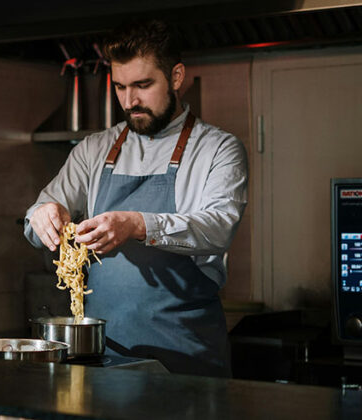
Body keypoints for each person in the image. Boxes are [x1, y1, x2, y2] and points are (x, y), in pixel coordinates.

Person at [23, 19, 248, 377]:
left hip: (186, 359)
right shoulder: (94, 149)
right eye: (121, 87)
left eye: (143, 85)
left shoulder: (218, 149)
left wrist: (137, 224)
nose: (130, 101)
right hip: (104, 358)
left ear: (176, 77)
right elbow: (37, 220)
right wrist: (41, 215)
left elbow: (218, 227)